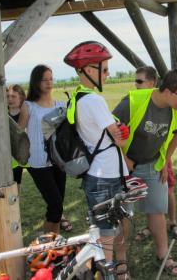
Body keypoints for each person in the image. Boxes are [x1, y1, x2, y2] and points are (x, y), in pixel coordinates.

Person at [113, 68, 177, 276]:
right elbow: (109, 130)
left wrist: (166, 160)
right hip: (125, 166)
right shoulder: (133, 101)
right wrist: (123, 159)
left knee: (157, 210)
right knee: (123, 214)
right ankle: (121, 261)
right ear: (168, 91)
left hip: (153, 165)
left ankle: (163, 254)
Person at [63, 41, 130, 278]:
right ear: (88, 70)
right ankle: (107, 273)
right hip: (106, 175)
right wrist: (122, 131)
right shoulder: (94, 100)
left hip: (98, 173)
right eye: (104, 69)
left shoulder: (77, 99)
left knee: (103, 229)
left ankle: (103, 270)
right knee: (106, 231)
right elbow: (119, 139)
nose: (108, 74)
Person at [132, 66, 177, 241]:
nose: (137, 85)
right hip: (144, 158)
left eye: (140, 81)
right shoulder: (138, 102)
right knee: (151, 195)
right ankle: (152, 226)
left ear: (153, 82)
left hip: (162, 155)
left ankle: (171, 222)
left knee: (167, 188)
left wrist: (166, 160)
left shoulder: (170, 106)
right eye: (136, 81)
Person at [18, 65, 72, 234]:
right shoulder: (29, 106)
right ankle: (44, 245)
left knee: (57, 207)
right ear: (36, 82)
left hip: (58, 161)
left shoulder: (61, 105)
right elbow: (19, 133)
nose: (49, 82)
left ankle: (53, 243)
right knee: (55, 204)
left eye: (51, 78)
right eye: (44, 79)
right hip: (38, 163)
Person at [7, 84, 27, 187]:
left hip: (26, 157)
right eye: (8, 96)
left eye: (13, 96)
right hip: (9, 158)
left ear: (21, 97)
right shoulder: (3, 114)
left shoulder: (27, 113)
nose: (10, 99)